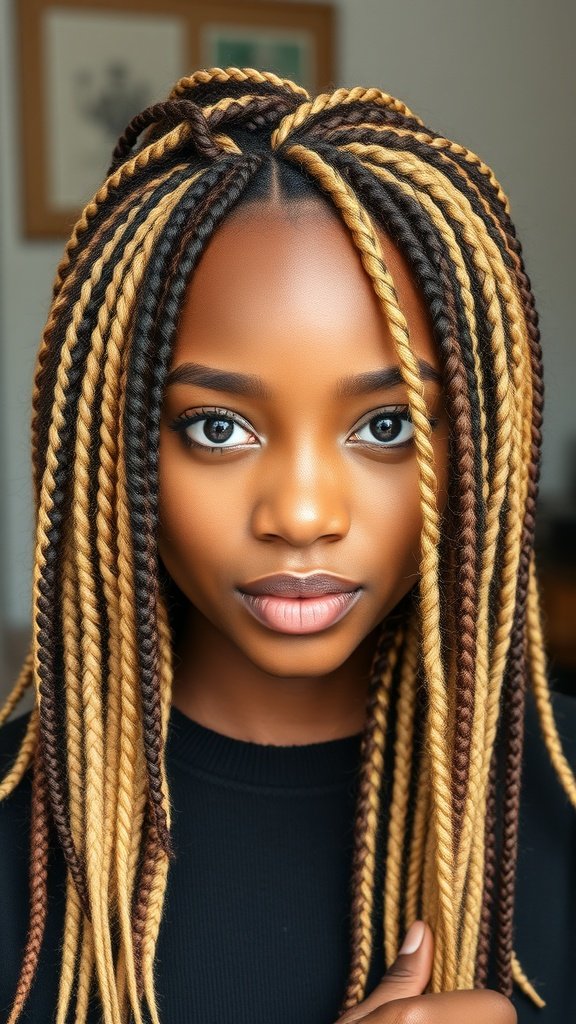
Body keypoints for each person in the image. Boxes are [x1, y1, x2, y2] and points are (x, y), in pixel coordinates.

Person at [0, 66, 574, 1024]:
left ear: (479, 444)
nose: (302, 513)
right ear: (117, 441)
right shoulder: (20, 837)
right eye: (219, 428)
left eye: (388, 427)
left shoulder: (556, 805)